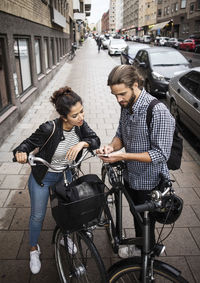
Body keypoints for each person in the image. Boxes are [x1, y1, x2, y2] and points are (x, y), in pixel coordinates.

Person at [13, 86, 100, 274]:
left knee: (67, 210)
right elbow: (26, 144)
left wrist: (82, 143)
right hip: (43, 178)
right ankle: (33, 249)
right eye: (75, 115)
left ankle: (64, 236)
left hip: (65, 176)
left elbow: (95, 139)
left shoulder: (81, 126)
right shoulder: (48, 128)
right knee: (38, 215)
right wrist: (21, 152)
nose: (81, 117)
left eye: (82, 111)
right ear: (64, 117)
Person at [96, 65, 175, 258]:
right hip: (131, 176)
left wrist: (122, 156)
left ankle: (147, 264)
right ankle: (141, 250)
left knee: (146, 225)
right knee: (137, 219)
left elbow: (161, 154)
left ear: (136, 85)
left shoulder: (158, 111)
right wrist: (111, 147)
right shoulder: (127, 105)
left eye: (122, 94)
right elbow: (120, 135)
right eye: (115, 95)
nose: (118, 99)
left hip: (150, 182)